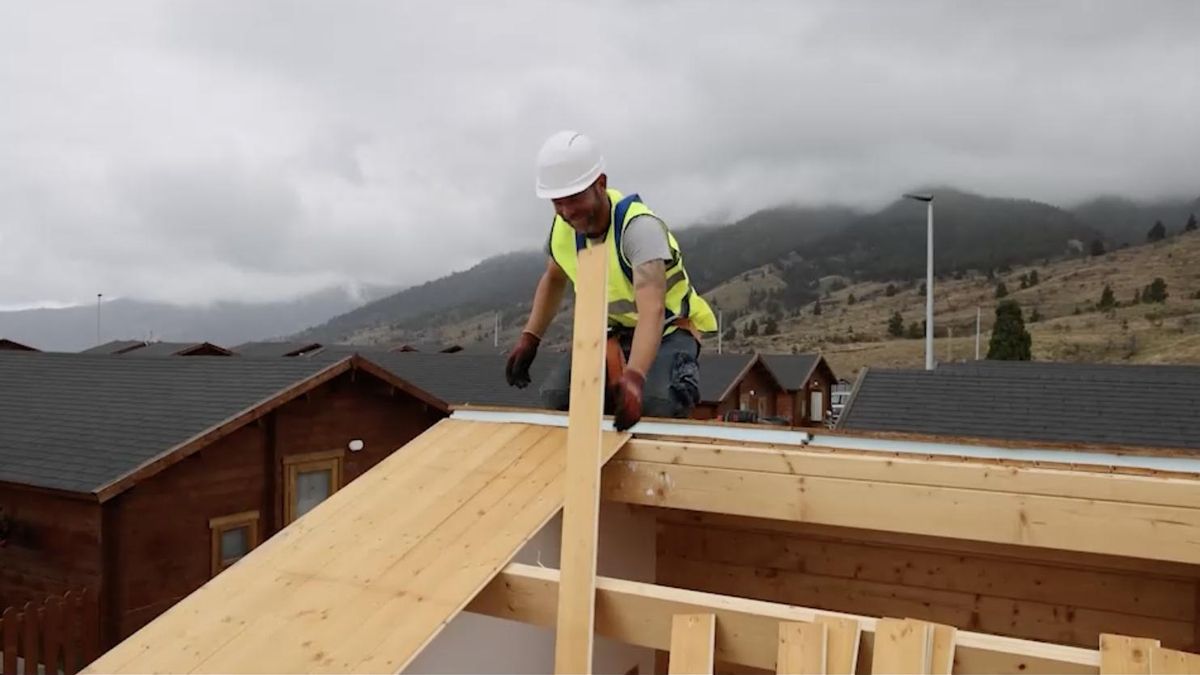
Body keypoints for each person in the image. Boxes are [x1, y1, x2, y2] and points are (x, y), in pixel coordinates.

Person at [504, 130, 717, 430]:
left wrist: (635, 376)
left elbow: (652, 310)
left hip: (667, 331)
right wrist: (530, 337)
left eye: (574, 199)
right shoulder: (563, 229)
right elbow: (554, 278)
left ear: (600, 184)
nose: (566, 212)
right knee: (558, 398)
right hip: (613, 334)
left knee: (656, 405)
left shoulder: (638, 229)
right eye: (557, 203)